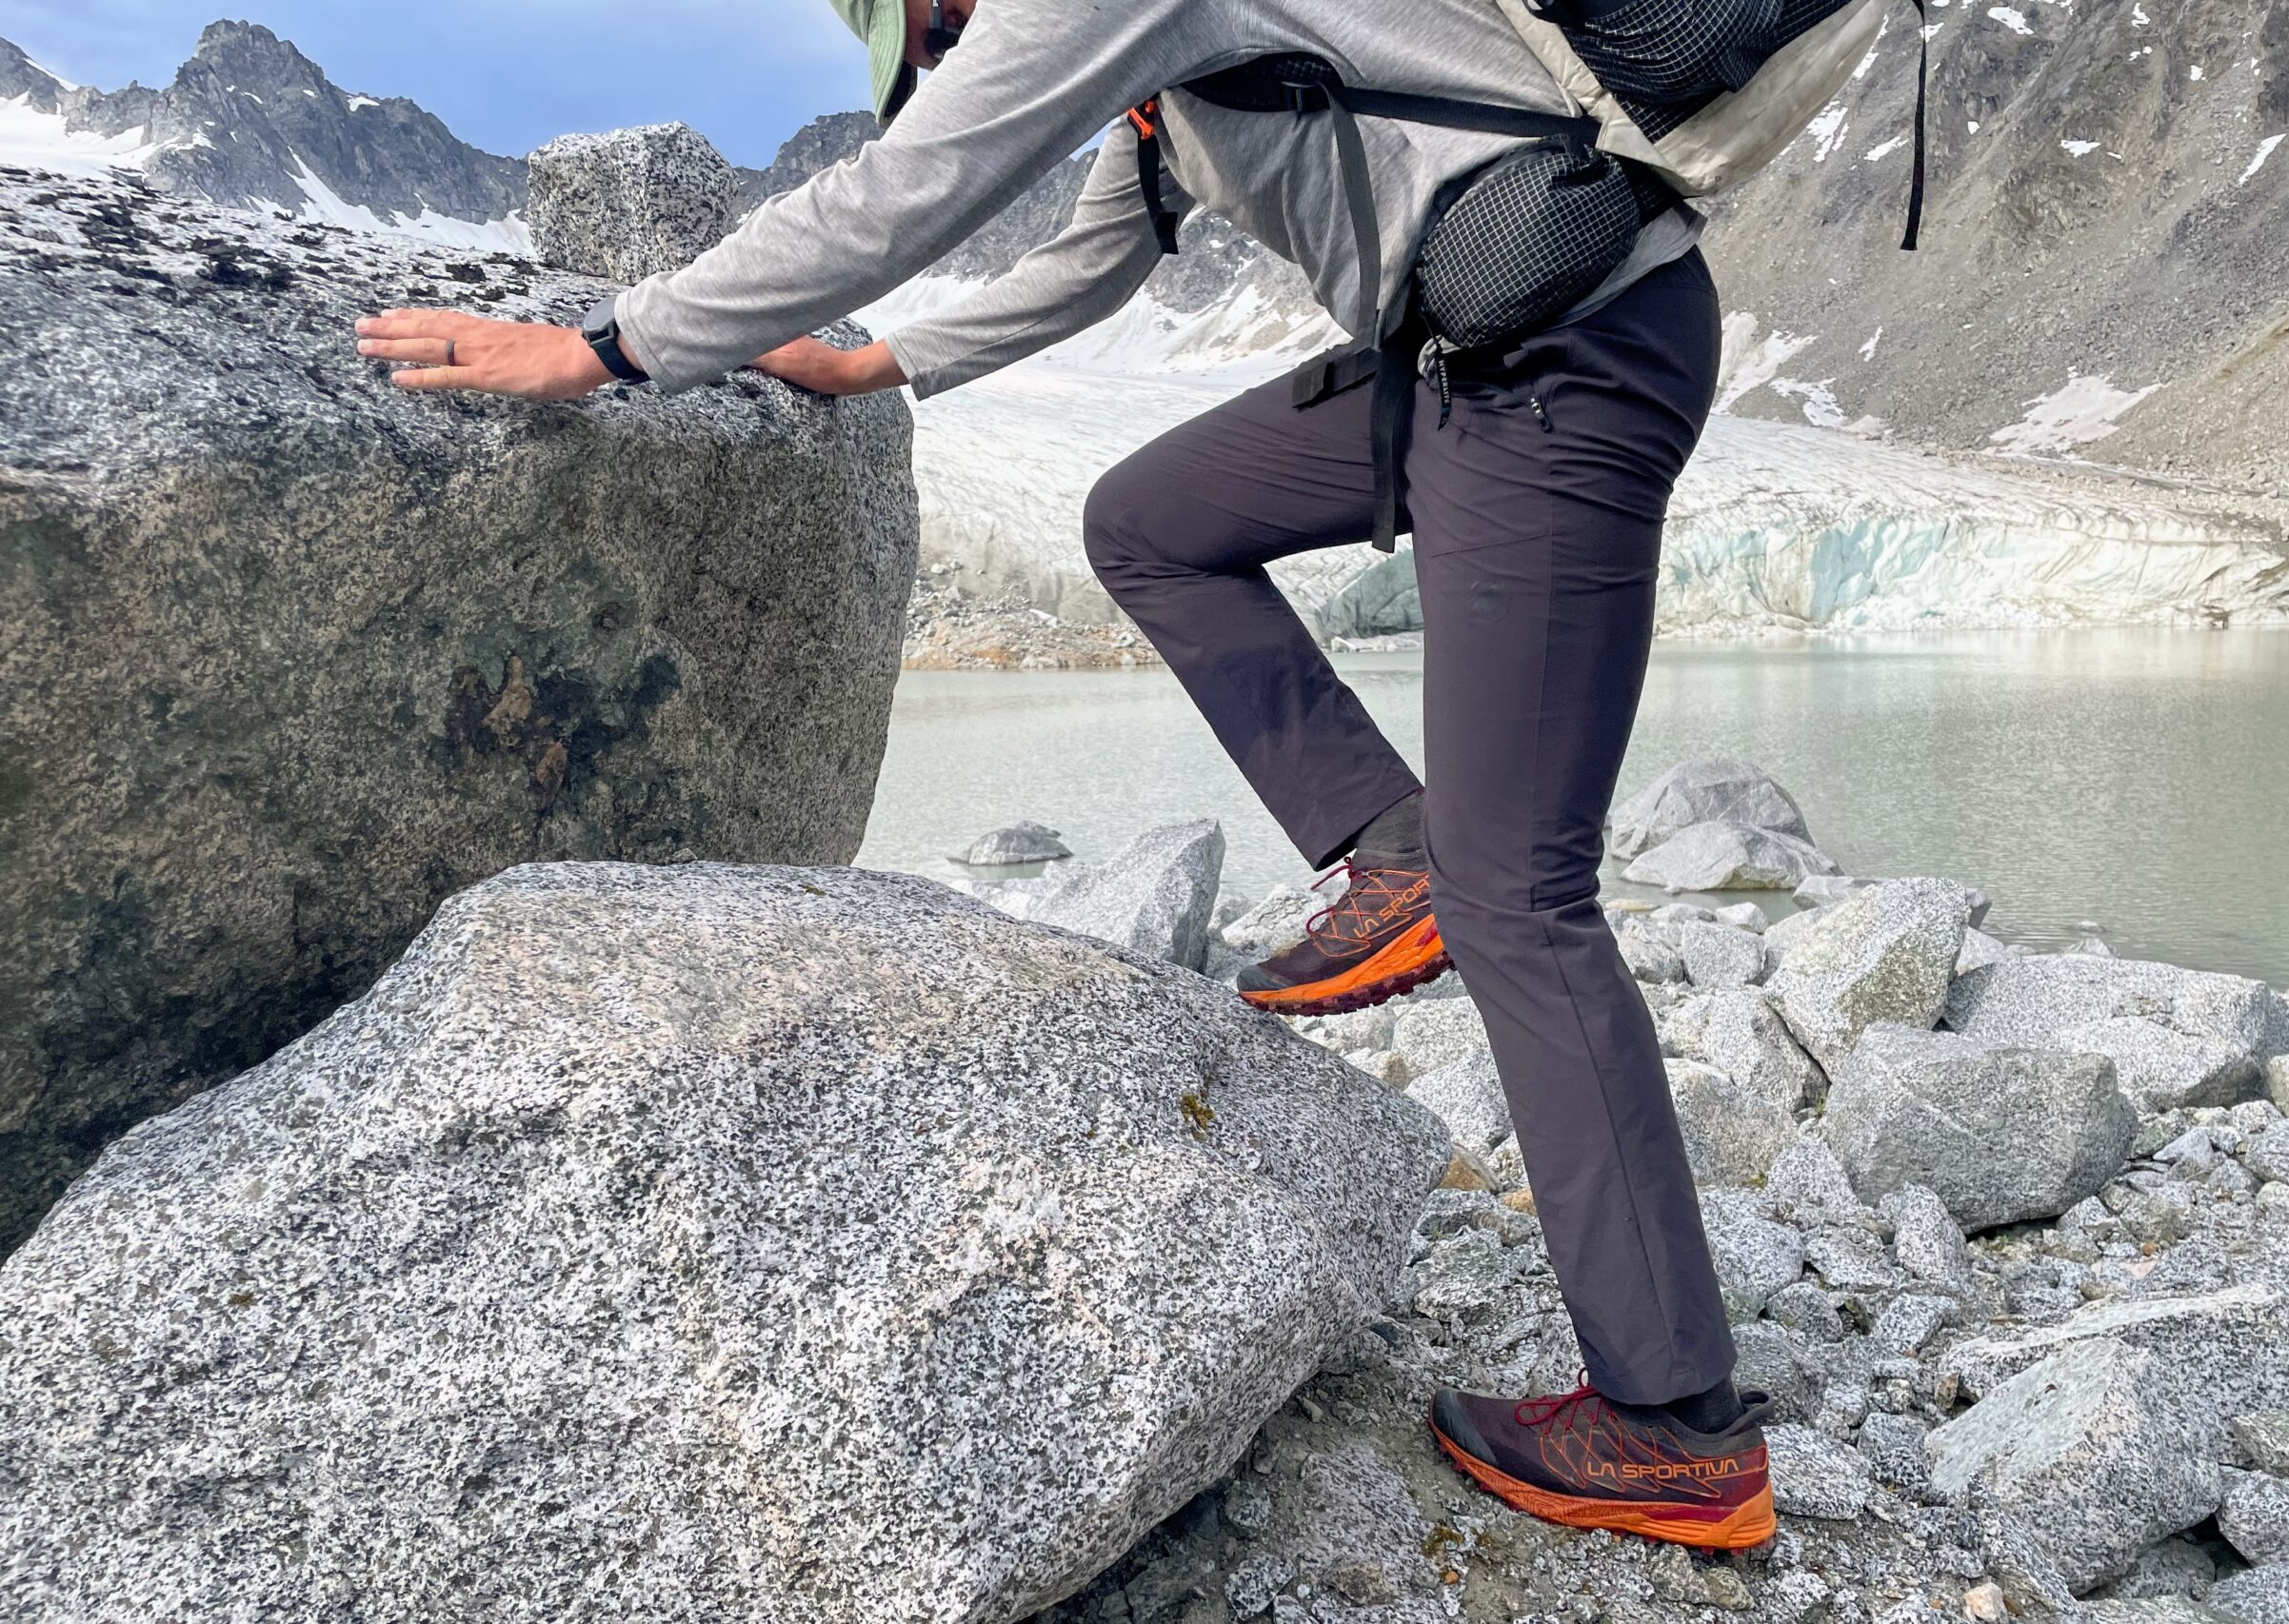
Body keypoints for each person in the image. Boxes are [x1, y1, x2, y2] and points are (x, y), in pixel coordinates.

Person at [353, 0, 1774, 1552]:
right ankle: (1395, 841)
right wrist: (881, 362)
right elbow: (1095, 251)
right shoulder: (1165, 73)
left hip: (1567, 358)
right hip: (1456, 362)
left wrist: (608, 345)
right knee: (1151, 519)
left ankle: (1673, 1425)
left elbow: (913, 187)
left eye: (944, 23)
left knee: (1528, 895)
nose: (961, 40)